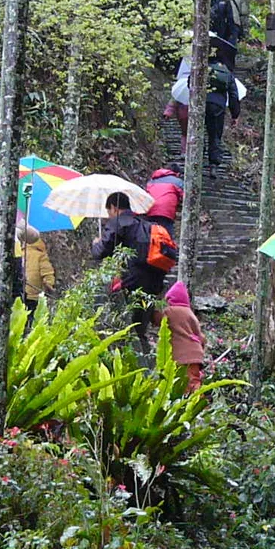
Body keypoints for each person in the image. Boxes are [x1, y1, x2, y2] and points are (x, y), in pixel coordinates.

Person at [91, 191, 167, 352]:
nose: (109, 216)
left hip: (130, 284)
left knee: (124, 329)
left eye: (108, 212)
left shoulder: (118, 222)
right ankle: (147, 364)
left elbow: (101, 251)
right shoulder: (145, 224)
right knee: (140, 329)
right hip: (152, 285)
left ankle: (132, 364)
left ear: (113, 207)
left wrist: (96, 243)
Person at [152, 281, 206, 392]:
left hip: (181, 356)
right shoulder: (190, 313)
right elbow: (201, 337)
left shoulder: (170, 311)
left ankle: (190, 404)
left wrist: (151, 310)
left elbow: (158, 320)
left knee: (183, 382)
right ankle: (199, 404)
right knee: (194, 380)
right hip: (195, 354)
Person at [205, 55, 240, 167]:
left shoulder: (202, 68)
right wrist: (235, 114)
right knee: (215, 134)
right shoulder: (226, 73)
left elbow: (189, 83)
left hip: (202, 103)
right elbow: (233, 95)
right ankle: (213, 164)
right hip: (218, 106)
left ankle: (196, 158)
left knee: (198, 131)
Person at [21, 226, 55, 308]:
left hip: (20, 293)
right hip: (34, 295)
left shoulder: (19, 253)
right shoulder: (40, 255)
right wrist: (49, 286)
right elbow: (47, 273)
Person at [145, 167, 184, 234]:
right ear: (178, 174)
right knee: (166, 234)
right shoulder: (177, 181)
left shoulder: (151, 182)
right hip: (166, 211)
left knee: (151, 234)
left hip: (149, 209)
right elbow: (184, 196)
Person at [210, 0, 239, 70]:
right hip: (221, 36)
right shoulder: (224, 0)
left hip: (215, 35)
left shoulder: (222, 0)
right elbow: (231, 21)